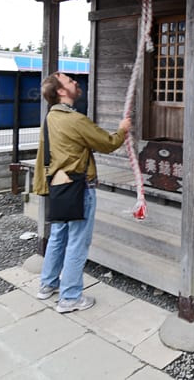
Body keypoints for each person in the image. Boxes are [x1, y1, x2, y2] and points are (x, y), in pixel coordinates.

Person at [33, 72, 131, 313]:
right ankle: (70, 297)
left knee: (58, 236)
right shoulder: (75, 120)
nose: (75, 82)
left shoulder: (51, 118)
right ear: (61, 92)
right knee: (77, 242)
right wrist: (122, 130)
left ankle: (47, 285)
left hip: (59, 185)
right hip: (79, 187)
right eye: (69, 81)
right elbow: (107, 143)